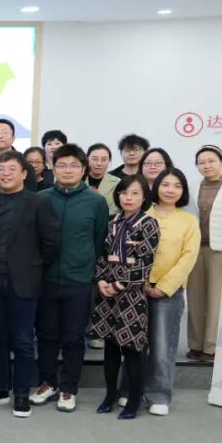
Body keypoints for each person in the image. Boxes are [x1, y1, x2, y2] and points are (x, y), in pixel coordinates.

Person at [0, 151, 60, 419]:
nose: (5, 173)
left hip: (24, 281)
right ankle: (0, 388)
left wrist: (32, 266)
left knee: (23, 340)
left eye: (12, 169)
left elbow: (51, 244)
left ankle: (21, 394)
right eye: (1, 169)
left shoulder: (38, 202)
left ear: (24, 173)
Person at [31, 144, 109, 412]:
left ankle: (68, 388)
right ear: (52, 168)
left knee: (74, 337)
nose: (67, 170)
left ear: (83, 169)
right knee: (46, 335)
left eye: (74, 165)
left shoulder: (96, 202)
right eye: (61, 165)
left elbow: (99, 240)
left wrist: (87, 270)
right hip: (46, 279)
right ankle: (47, 382)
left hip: (79, 280)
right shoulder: (40, 198)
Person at [89, 175, 160, 420]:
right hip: (106, 294)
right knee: (110, 347)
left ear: (144, 197)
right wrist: (100, 280)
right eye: (124, 193)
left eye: (135, 193)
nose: (128, 198)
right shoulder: (112, 222)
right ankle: (110, 395)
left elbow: (145, 263)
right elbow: (101, 255)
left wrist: (118, 284)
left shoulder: (149, 223)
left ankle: (134, 399)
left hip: (131, 295)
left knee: (132, 349)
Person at [129, 168, 199, 416]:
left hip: (168, 293)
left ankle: (158, 394)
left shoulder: (188, 220)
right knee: (133, 344)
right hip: (136, 289)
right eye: (166, 184)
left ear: (183, 191)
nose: (171, 190)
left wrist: (164, 286)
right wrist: (140, 282)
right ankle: (130, 390)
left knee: (161, 346)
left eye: (177, 186)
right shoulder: (141, 215)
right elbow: (130, 252)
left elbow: (188, 257)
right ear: (156, 186)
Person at [188, 145, 222, 363]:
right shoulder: (191, 186)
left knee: (215, 300)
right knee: (195, 299)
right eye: (201, 162)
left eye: (211, 161)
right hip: (194, 248)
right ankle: (195, 344)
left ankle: (211, 347)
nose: (206, 165)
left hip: (219, 250)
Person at [0, 119, 38, 193]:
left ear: (13, 138)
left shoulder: (24, 164)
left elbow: (30, 194)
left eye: (5, 133)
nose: (0, 136)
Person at [85, 143, 121, 216]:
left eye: (104, 159)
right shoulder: (78, 179)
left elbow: (115, 210)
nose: (99, 163)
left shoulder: (117, 182)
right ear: (87, 159)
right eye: (95, 159)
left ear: (109, 161)